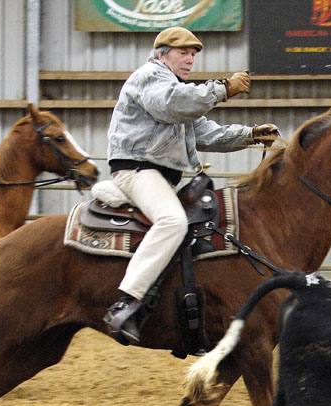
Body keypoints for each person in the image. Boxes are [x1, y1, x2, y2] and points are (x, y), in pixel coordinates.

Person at [103, 27, 279, 345]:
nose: (190, 59)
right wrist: (224, 88)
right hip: (137, 170)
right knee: (173, 221)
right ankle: (126, 303)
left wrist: (249, 134)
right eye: (183, 53)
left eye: (194, 54)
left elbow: (205, 132)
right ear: (161, 54)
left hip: (158, 176)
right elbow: (175, 104)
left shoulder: (175, 89)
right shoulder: (151, 79)